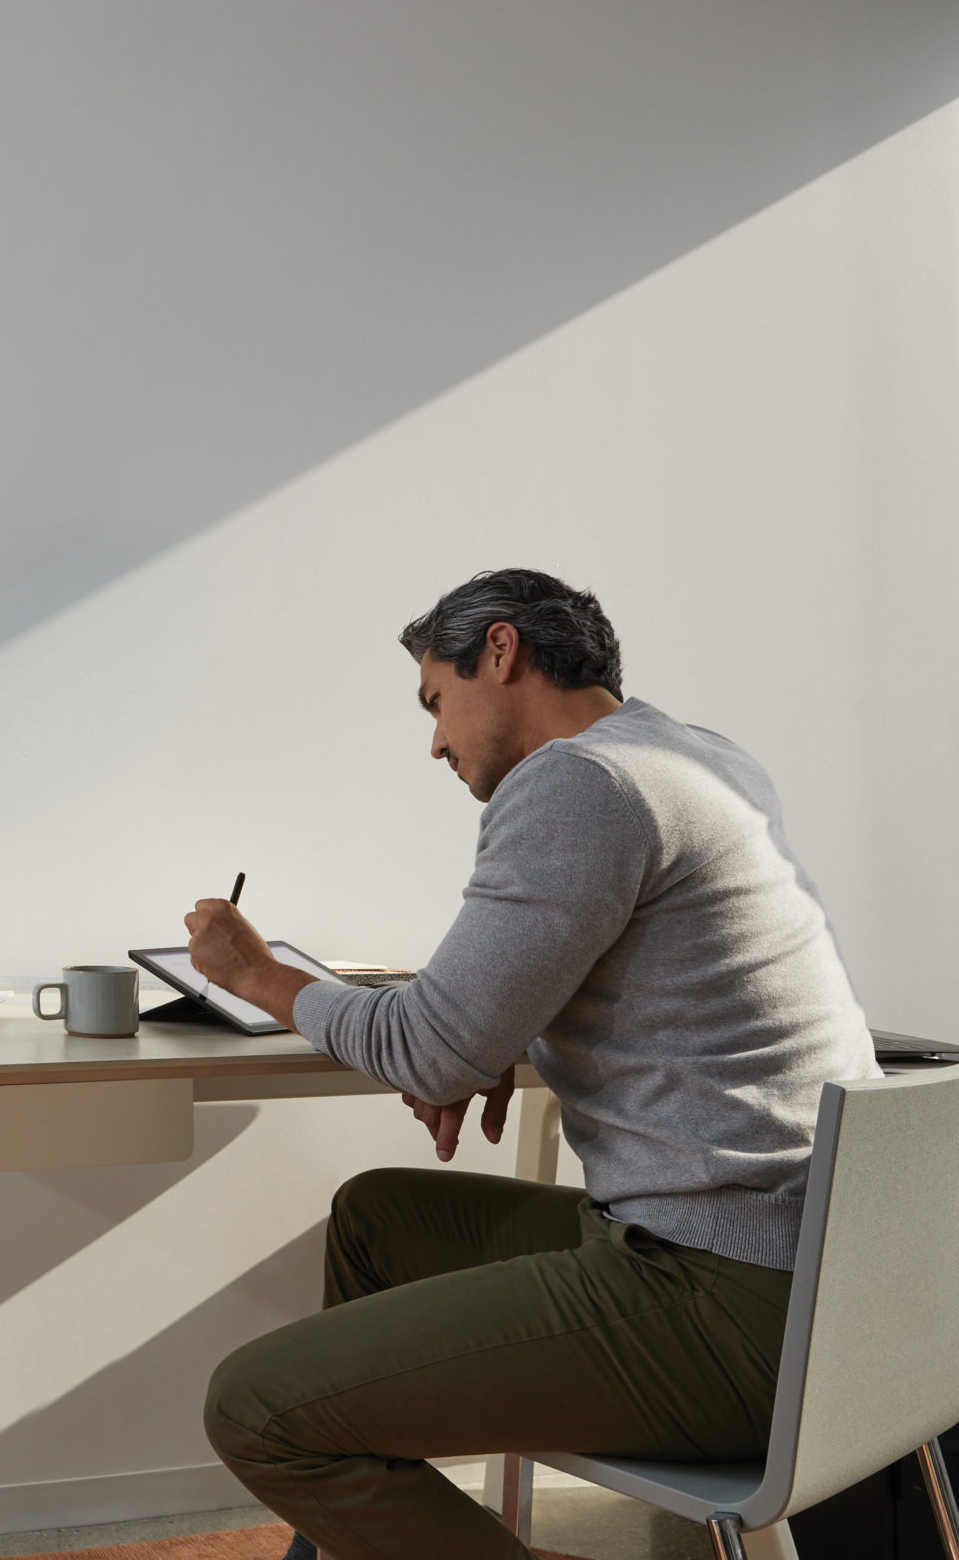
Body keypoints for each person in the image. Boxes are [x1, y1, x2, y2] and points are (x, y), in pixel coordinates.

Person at [184, 568, 878, 1560]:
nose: (433, 740)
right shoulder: (693, 757)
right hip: (822, 1282)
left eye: (435, 701)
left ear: (499, 653)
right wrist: (496, 1038)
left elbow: (423, 1045)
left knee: (253, 1410)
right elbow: (640, 986)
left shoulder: (578, 780)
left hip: (725, 1306)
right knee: (379, 1218)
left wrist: (253, 975)